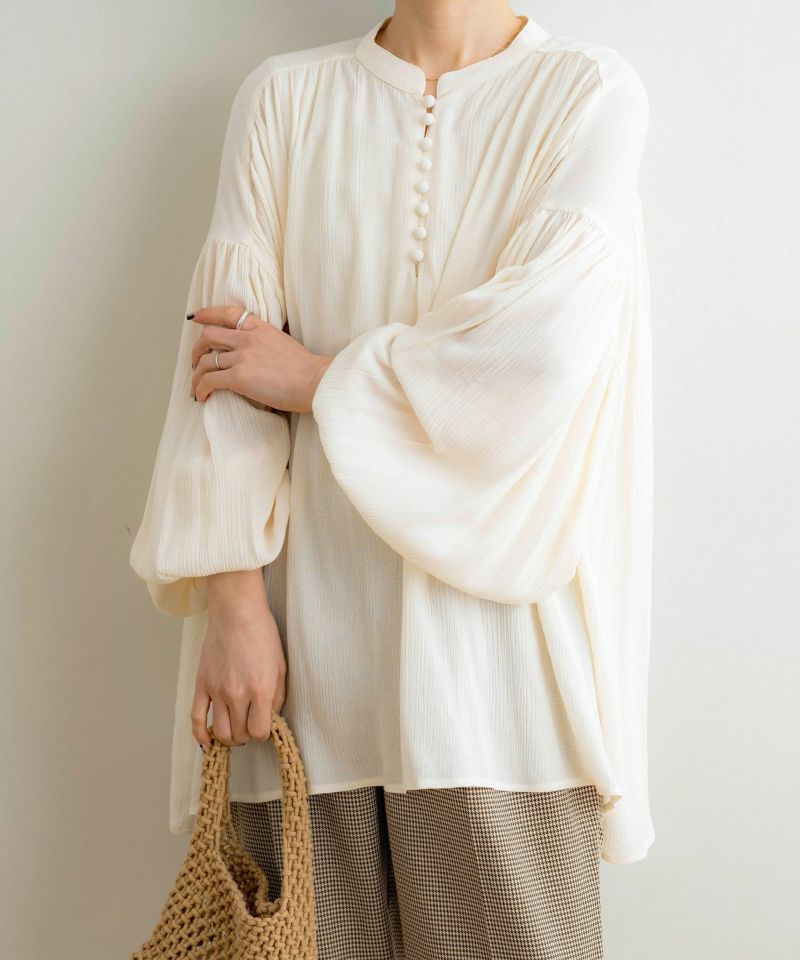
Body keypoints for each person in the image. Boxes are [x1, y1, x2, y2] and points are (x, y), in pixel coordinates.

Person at [130, 2, 654, 956]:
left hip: (499, 694)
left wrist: (314, 377)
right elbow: (221, 365)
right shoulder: (284, 98)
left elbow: (538, 360)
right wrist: (234, 604)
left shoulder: (588, 92)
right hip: (300, 670)